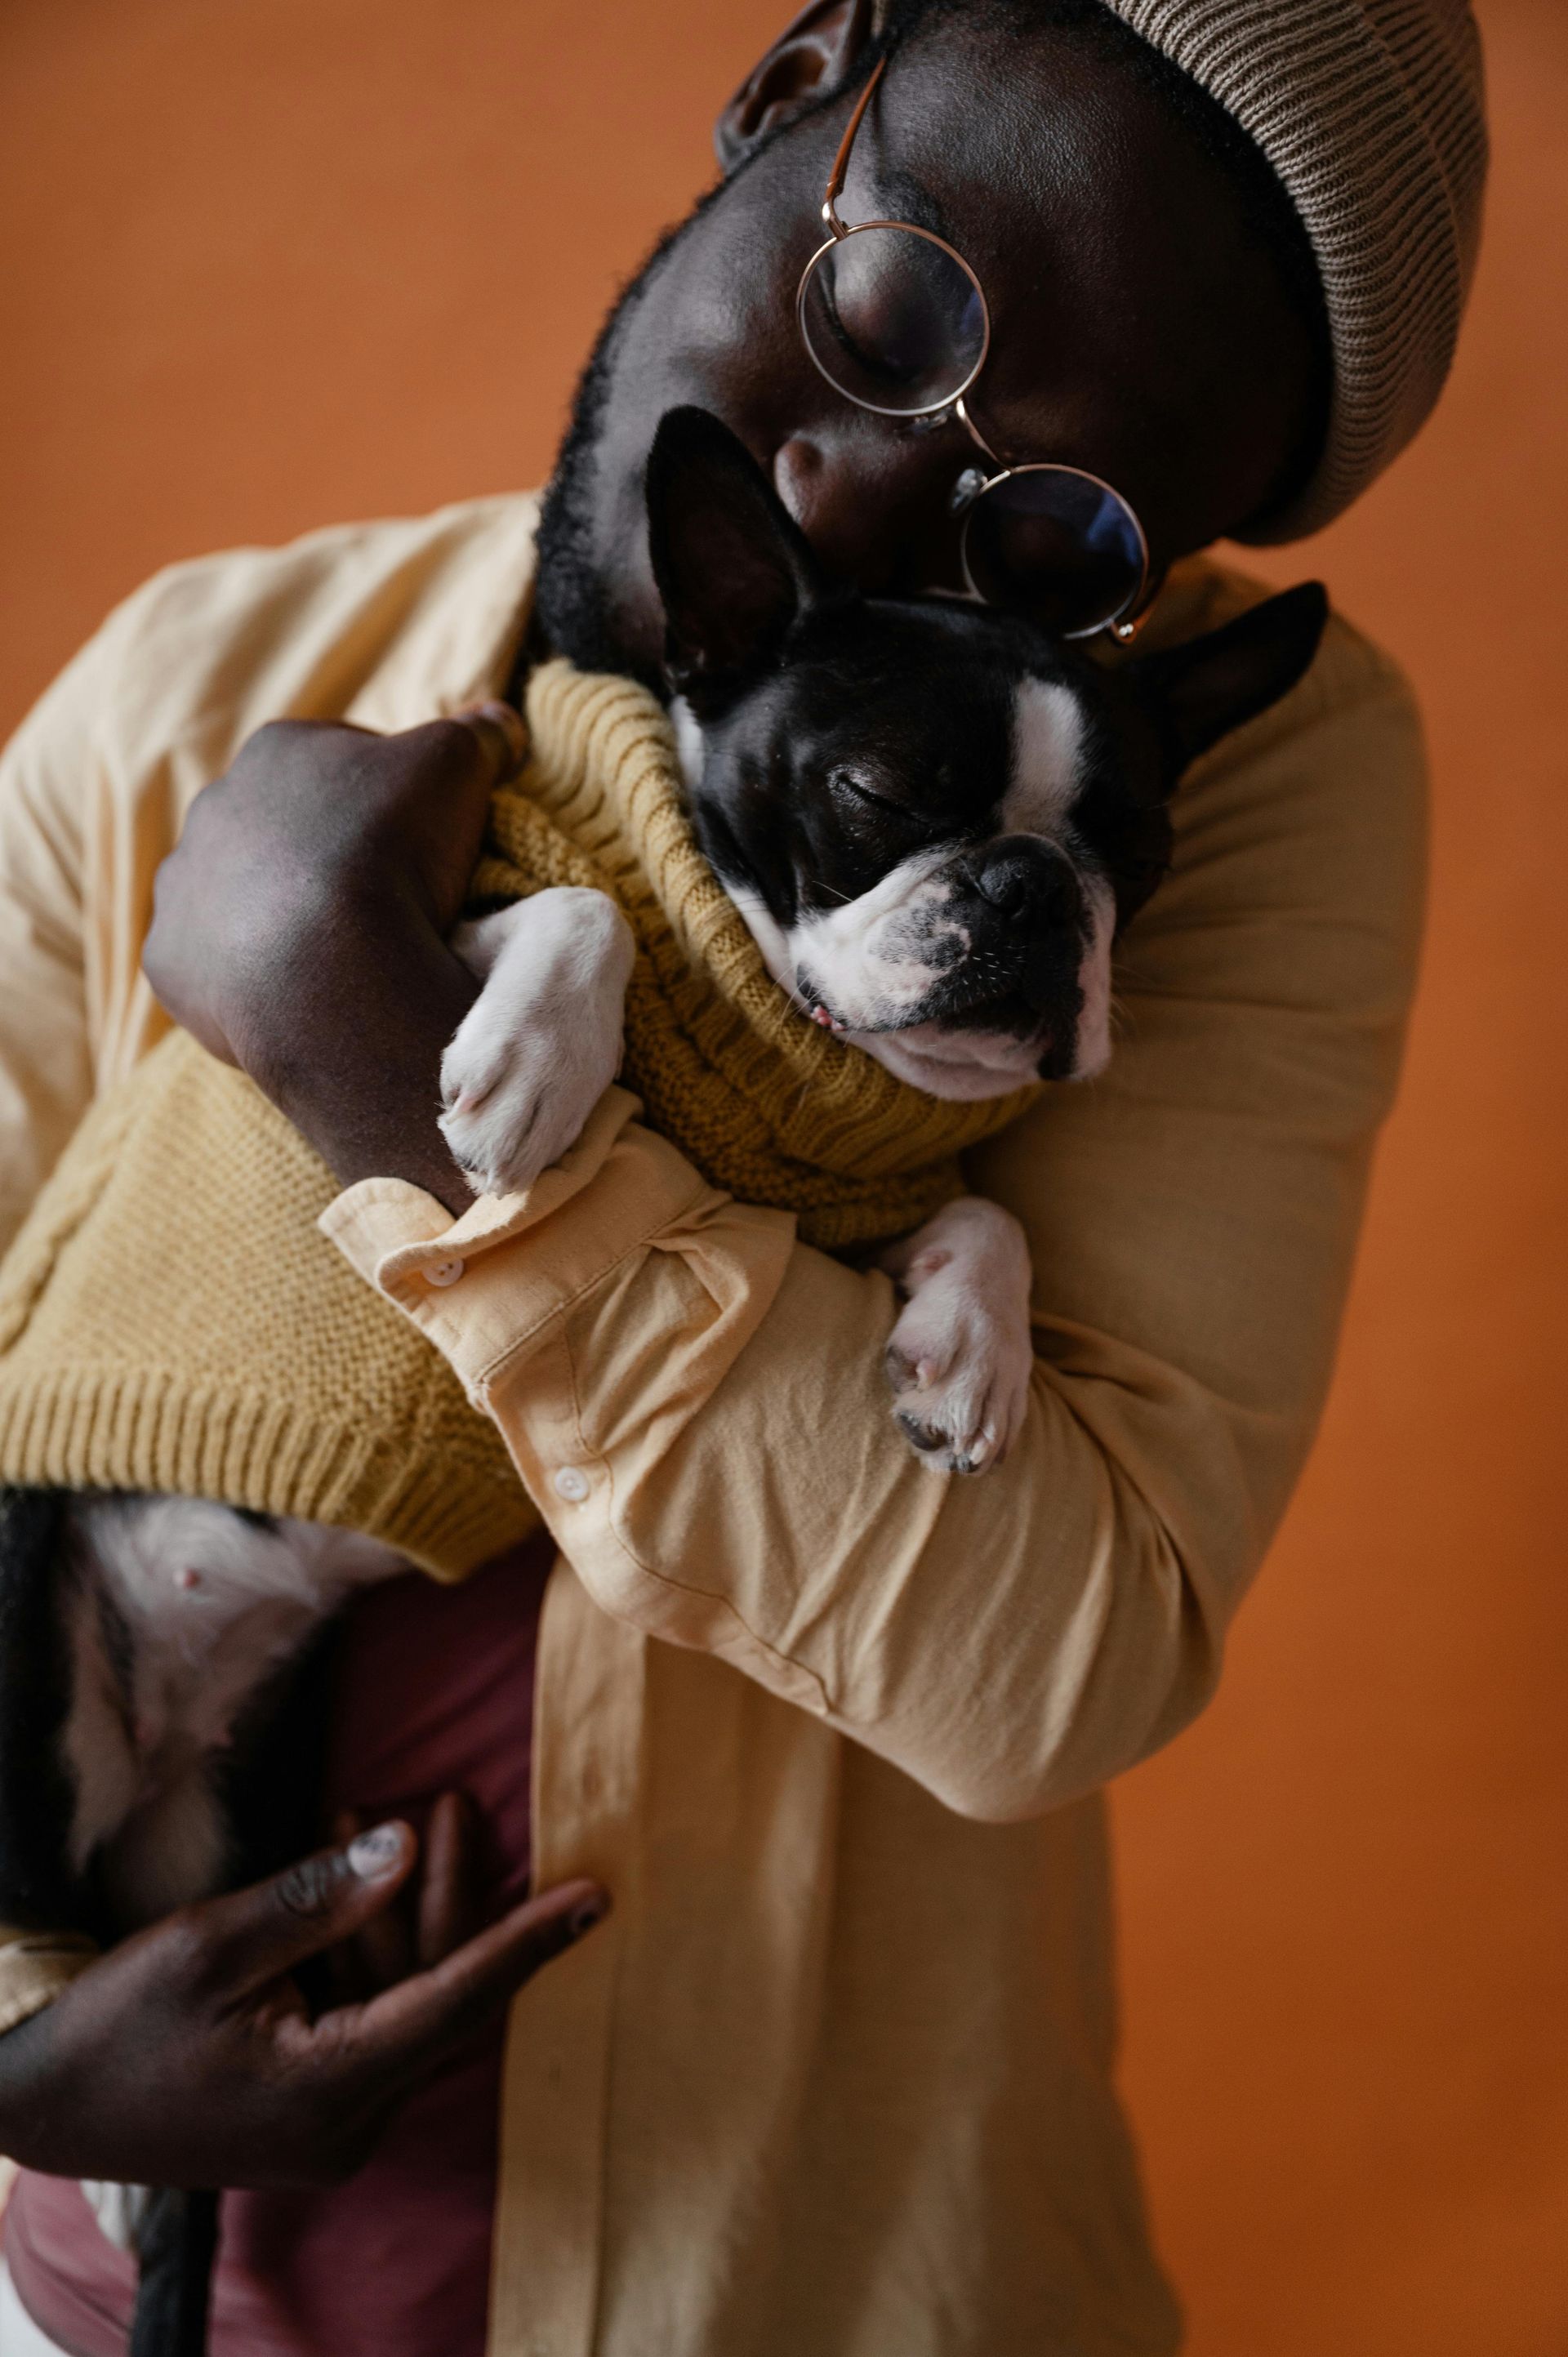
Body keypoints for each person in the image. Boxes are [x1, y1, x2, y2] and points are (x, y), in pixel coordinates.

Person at [0, 0, 1486, 2350]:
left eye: (1061, 532)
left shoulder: (1207, 784)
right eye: (893, 305)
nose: (864, 494)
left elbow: (1043, 1661)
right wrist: (13, 2051)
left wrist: (393, 1072)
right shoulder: (194, 678)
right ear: (801, 91)